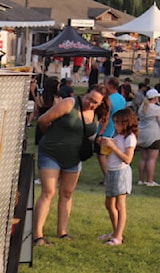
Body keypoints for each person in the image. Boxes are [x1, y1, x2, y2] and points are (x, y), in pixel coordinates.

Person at [33, 86, 105, 246]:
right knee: (48, 192)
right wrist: (52, 137)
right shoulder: (69, 103)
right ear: (85, 94)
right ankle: (38, 235)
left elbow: (90, 133)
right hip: (51, 153)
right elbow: (43, 120)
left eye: (95, 102)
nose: (91, 103)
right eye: (89, 99)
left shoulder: (94, 114)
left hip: (73, 158)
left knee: (67, 194)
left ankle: (62, 231)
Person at [98, 107, 137, 246]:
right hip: (112, 171)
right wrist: (105, 144)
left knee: (120, 205)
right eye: (114, 123)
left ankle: (118, 237)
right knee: (109, 204)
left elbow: (127, 159)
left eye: (118, 123)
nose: (115, 126)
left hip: (121, 173)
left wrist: (113, 147)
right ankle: (115, 232)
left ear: (126, 123)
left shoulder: (130, 138)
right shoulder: (118, 135)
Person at [97, 77, 127, 184]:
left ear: (110, 86)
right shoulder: (122, 98)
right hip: (117, 129)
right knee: (111, 154)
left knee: (101, 154)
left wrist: (101, 131)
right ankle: (112, 176)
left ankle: (108, 178)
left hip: (108, 130)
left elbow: (106, 116)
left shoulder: (108, 99)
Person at [137, 89, 160, 186]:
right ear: (154, 98)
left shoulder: (142, 107)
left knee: (143, 158)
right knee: (152, 159)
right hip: (153, 135)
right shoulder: (157, 109)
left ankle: (141, 179)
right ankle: (150, 180)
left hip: (142, 133)